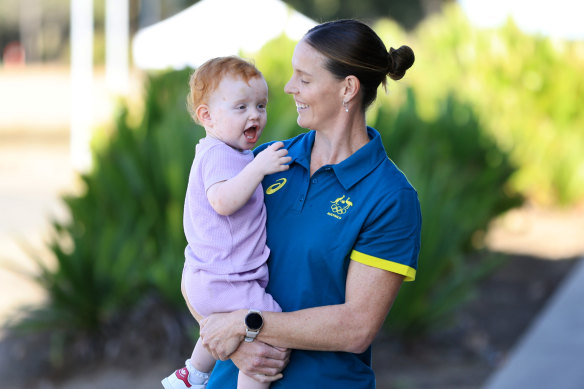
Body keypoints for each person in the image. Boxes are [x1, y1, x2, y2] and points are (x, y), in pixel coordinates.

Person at [193, 19, 421, 388]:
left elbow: (356, 327)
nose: (288, 87)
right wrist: (235, 345)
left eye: (304, 78)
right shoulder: (263, 162)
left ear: (347, 88)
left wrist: (246, 324)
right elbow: (203, 267)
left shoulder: (389, 197)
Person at [161, 56, 291, 389]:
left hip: (210, 278)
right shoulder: (220, 154)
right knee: (274, 330)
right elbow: (222, 201)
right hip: (226, 280)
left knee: (225, 325)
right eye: (241, 107)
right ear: (207, 116)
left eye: (261, 105)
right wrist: (258, 168)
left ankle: (192, 375)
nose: (255, 115)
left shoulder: (229, 152)